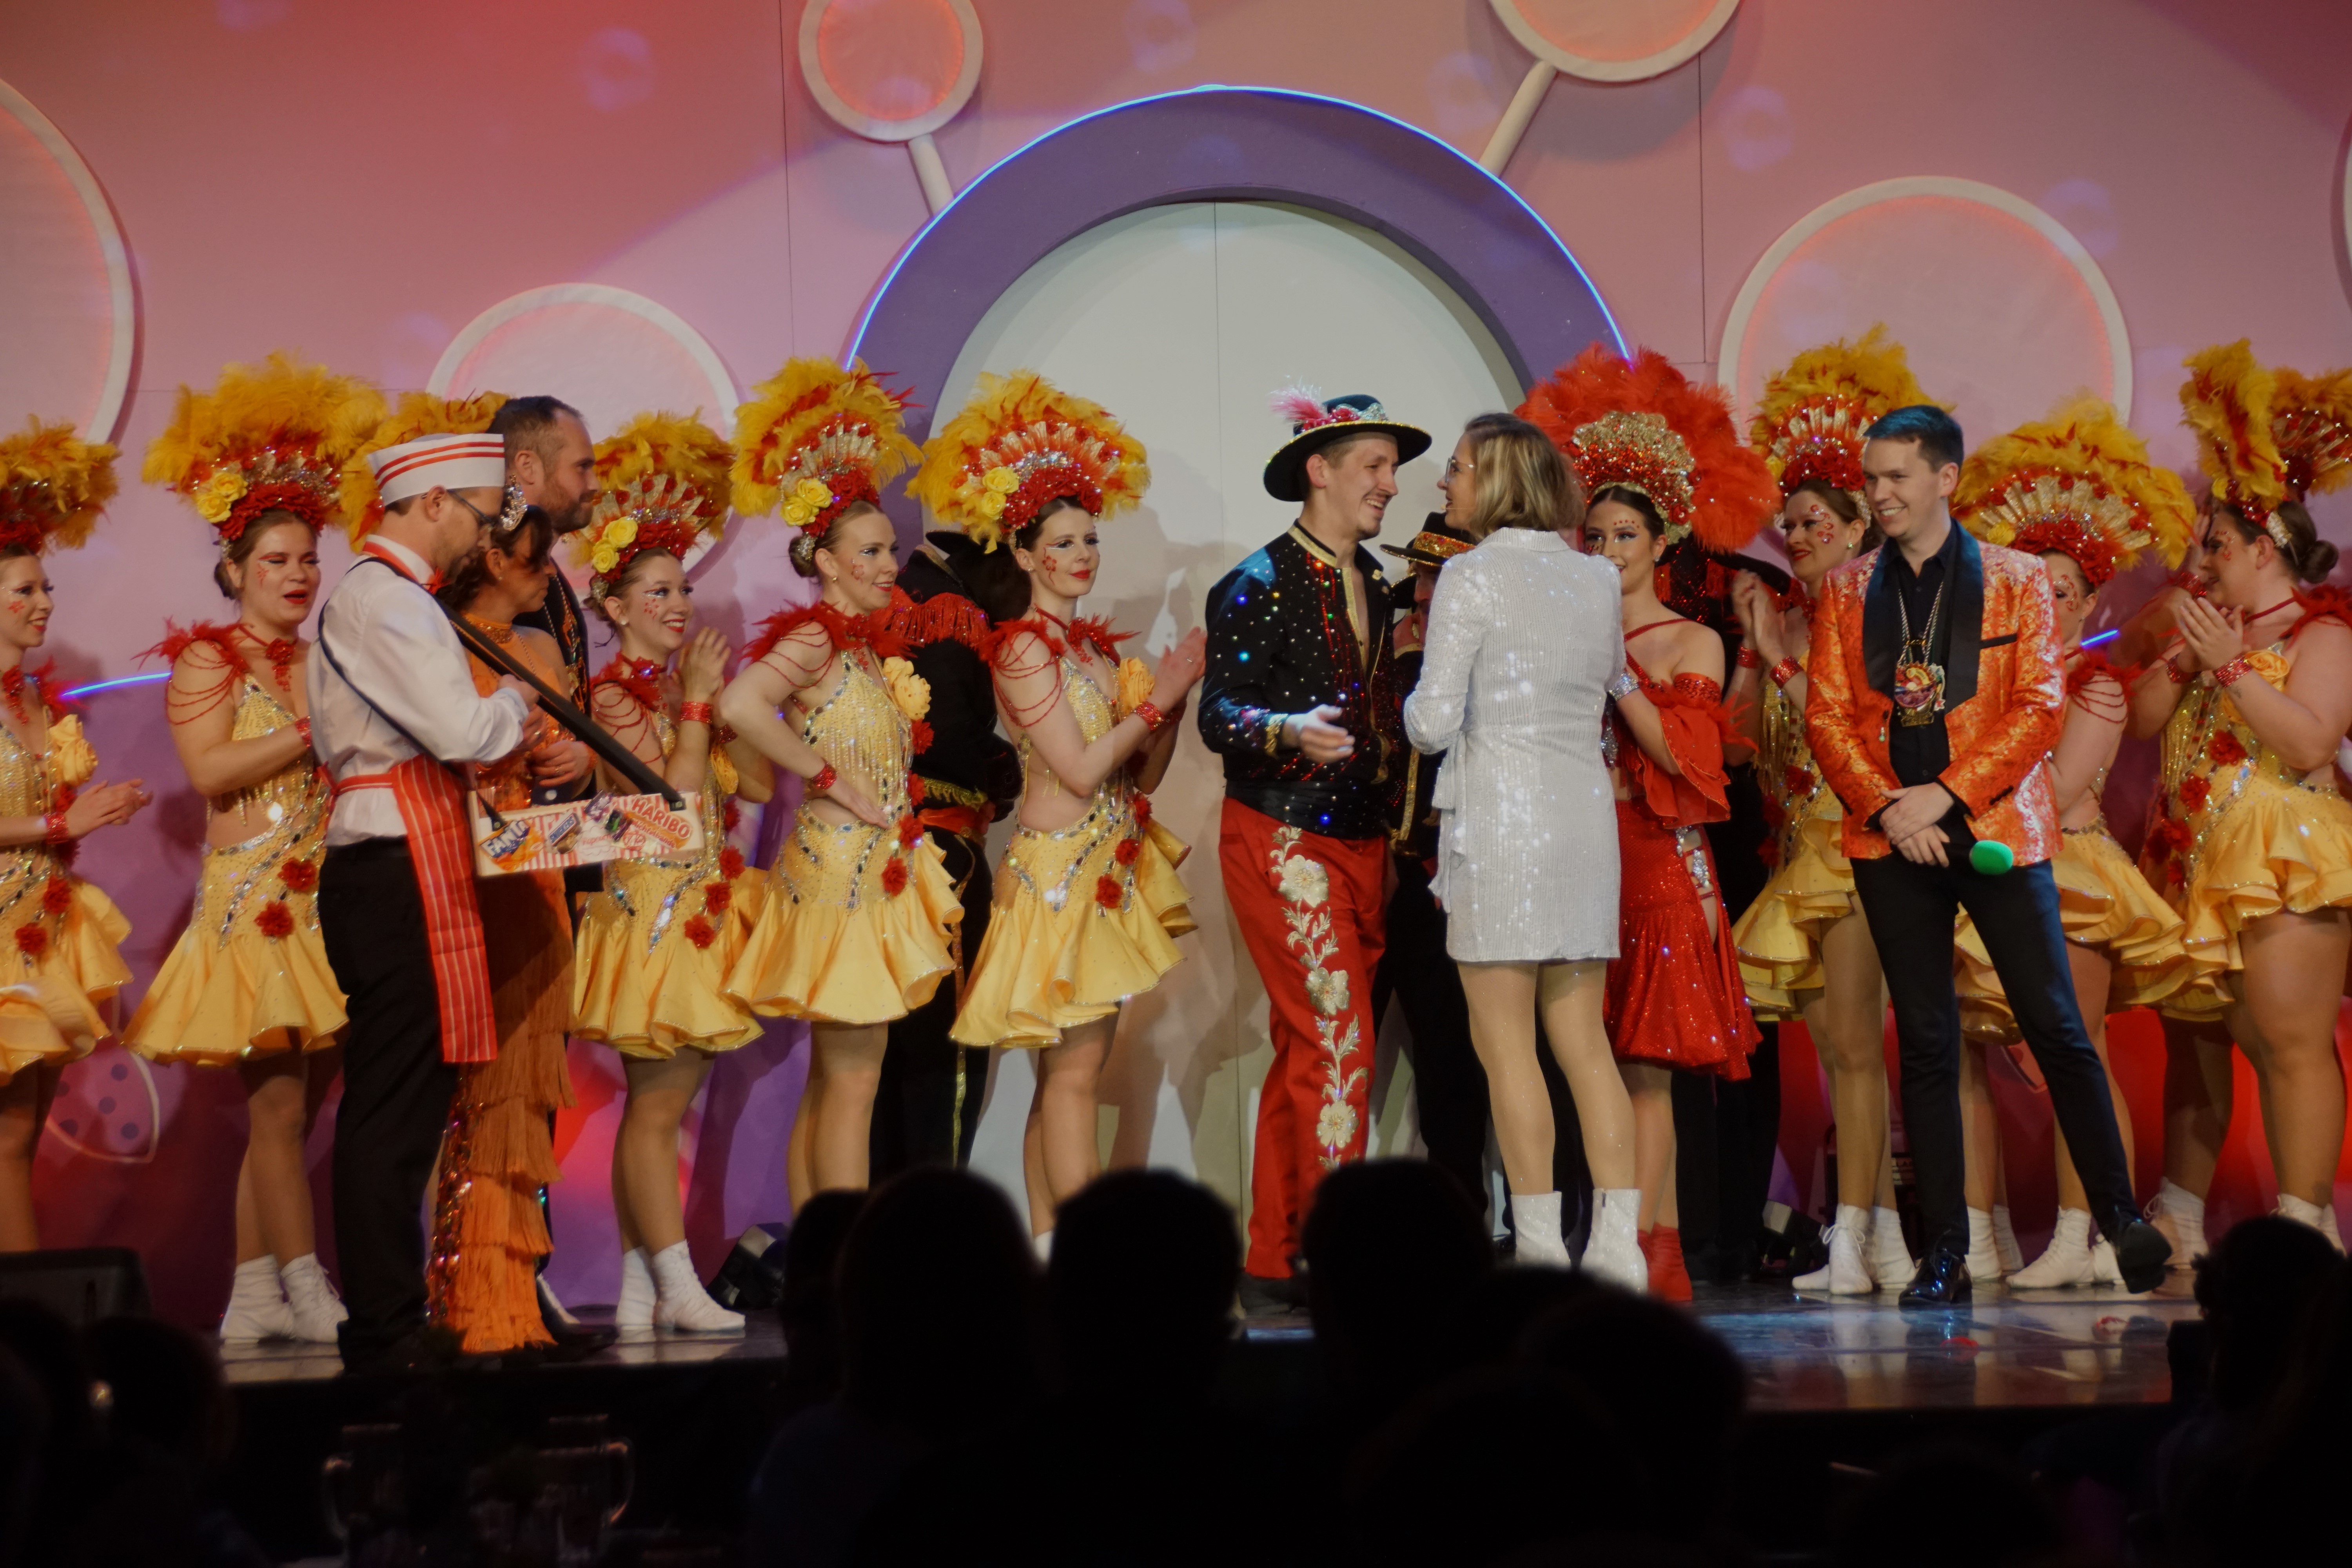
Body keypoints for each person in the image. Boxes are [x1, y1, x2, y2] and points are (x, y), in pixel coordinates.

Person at [1806, 401, 2168, 1305]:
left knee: (2056, 1023)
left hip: (1997, 828)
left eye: (1897, 476)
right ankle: (1948, 1253)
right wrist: (1891, 810)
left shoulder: (2014, 578)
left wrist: (1947, 795)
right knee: (1927, 1040)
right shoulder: (1848, 589)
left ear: (1945, 478)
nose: (1881, 493)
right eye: (1872, 478)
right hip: (1892, 835)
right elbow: (1827, 717)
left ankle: (2121, 1218)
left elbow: (2039, 707)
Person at [910, 372, 1203, 1250]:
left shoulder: (1089, 650)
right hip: (1057, 879)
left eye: (1090, 539)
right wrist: (1159, 700)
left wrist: (1169, 708)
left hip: (1103, 866)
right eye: (1064, 542)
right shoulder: (1024, 651)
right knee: (1073, 1074)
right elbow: (1078, 771)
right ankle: (1090, 1257)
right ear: (1027, 554)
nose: (1083, 555)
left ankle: (1050, 1252)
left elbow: (1136, 778)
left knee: (1069, 1076)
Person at [128, 354, 380, 1340]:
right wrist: (316, 724)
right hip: (253, 906)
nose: (298, 576)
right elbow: (210, 769)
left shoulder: (327, 658)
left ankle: (250, 1297)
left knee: (300, 1111)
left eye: (309, 559)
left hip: (325, 898)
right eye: (276, 560)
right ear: (234, 570)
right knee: (276, 1108)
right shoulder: (210, 657)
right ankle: (308, 1289)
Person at [1523, 345, 1776, 1299]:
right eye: (1594, 534)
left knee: (1647, 1067)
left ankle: (1648, 1246)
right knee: (1584, 1056)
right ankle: (1626, 1241)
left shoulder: (1692, 638)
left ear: (1664, 541)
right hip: (1581, 858)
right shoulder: (1566, 630)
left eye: (1625, 534)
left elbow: (1687, 758)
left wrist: (1616, 673)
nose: (1607, 549)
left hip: (1660, 863)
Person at [1946, 398, 2195, 1288]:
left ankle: (2085, 1234)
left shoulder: (2096, 688)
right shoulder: (1989, 685)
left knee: (2074, 1050)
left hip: (2069, 872)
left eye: (2060, 592)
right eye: (2029, 588)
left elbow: (2048, 794)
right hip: (1991, 868)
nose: (2043, 603)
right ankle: (1984, 1233)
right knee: (1968, 1051)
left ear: (2088, 603)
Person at [313, 409, 541, 1370]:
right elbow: (463, 731)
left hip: (401, 852)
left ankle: (393, 1317)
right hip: (392, 859)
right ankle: (386, 1325)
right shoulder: (389, 600)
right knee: (394, 1101)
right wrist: (519, 701)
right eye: (482, 516)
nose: (485, 538)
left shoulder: (394, 596)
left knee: (403, 1098)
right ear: (435, 502)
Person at [1401, 411, 1644, 1288]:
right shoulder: (1597, 578)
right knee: (1585, 1045)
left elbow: (1431, 724)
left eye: (1459, 467)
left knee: (1506, 1048)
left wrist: (1406, 690)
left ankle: (1540, 1247)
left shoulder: (1469, 575)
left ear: (1499, 479)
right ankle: (1619, 1247)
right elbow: (1609, 685)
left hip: (1501, 825)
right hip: (1581, 822)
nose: (1447, 482)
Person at [1199, 389, 1426, 1313]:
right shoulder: (1257, 580)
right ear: (1318, 470)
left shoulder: (1375, 580)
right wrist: (1289, 728)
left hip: (1363, 844)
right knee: (1338, 1042)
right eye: (1374, 465)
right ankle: (1343, 1257)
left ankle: (1274, 1254)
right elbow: (1219, 715)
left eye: (1393, 467)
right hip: (1284, 833)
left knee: (1314, 1042)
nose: (1390, 483)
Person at [2128, 343, 2352, 1247]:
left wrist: (2230, 666)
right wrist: (2185, 657)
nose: (2201, 560)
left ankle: (2305, 1228)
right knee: (2195, 1042)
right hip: (2192, 852)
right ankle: (2180, 1216)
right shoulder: (2202, 627)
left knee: (2289, 1042)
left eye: (2215, 544)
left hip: (2284, 848)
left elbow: (2311, 741)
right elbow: (2141, 722)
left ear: (2265, 549)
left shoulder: (2320, 632)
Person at [723, 359, 960, 1200]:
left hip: (865, 870)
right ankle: (847, 1254)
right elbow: (741, 704)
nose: (890, 564)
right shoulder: (818, 640)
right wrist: (825, 774)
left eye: (890, 548)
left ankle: (821, 1250)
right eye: (870, 551)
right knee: (853, 1078)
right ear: (825, 562)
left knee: (839, 1077)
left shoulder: (861, 647)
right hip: (840, 876)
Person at [1728, 330, 1929, 1295]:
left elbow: (1864, 736)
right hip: (1798, 855)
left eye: (1815, 522)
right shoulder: (1797, 622)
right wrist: (1752, 650)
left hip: (1856, 848)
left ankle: (1861, 1242)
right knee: (1835, 1050)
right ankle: (1876, 1239)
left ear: (1858, 530)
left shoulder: (1881, 617)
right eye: (1790, 524)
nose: (1797, 535)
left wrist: (1777, 658)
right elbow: (1744, 748)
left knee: (1854, 1050)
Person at [568, 413, 774, 1332]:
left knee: (662, 1106)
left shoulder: (683, 691)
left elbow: (756, 784)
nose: (679, 603)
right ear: (615, 608)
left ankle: (638, 1286)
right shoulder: (610, 696)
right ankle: (676, 1282)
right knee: (658, 1107)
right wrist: (694, 705)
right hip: (651, 912)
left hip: (700, 909)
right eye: (657, 591)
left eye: (683, 586)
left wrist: (722, 707)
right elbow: (672, 806)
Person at [424, 499, 594, 1354]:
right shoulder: (432, 640)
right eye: (538, 557)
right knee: (467, 1092)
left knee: (526, 1089)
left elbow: (577, 756)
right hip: (461, 876)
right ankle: (463, 1292)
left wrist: (577, 758)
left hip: (538, 872)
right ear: (493, 559)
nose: (551, 573)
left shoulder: (541, 647)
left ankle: (517, 1290)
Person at [0, 421, 150, 1253]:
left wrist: (94, 812)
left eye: (46, 587)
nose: (44, 603)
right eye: (24, 590)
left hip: (40, 926)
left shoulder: (36, 703)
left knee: (20, 1138)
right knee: (10, 1137)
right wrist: (62, 822)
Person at [868, 530, 1019, 1181]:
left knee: (886, 1057)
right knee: (947, 1051)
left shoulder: (898, 602)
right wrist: (1005, 767)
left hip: (882, 855)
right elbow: (953, 741)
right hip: (941, 856)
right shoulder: (949, 616)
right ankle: (935, 1225)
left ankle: (887, 1218)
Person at [1374, 513, 1503, 1228]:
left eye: (1440, 578)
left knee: (1451, 1058)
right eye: (1420, 575)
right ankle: (1313, 1224)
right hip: (1365, 872)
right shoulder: (1378, 640)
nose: (1425, 592)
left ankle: (1458, 1220)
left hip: (1444, 879)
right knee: (1336, 1050)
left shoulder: (1488, 655)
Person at [490, 395, 600, 695]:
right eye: (582, 467)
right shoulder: (491, 577)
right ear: (528, 466)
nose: (595, 484)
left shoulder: (549, 573)